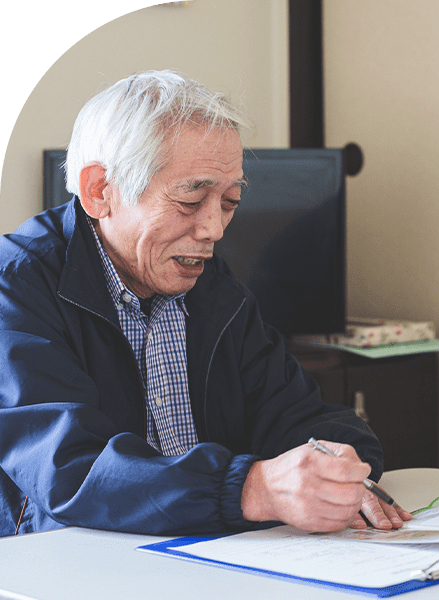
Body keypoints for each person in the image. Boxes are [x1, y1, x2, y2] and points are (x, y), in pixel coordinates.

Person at [0, 70, 411, 537]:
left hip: (208, 551)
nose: (214, 229)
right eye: (191, 199)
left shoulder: (211, 285)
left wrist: (340, 467)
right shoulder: (14, 287)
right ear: (100, 191)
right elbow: (71, 470)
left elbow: (300, 415)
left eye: (230, 202)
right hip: (74, 561)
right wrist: (250, 489)